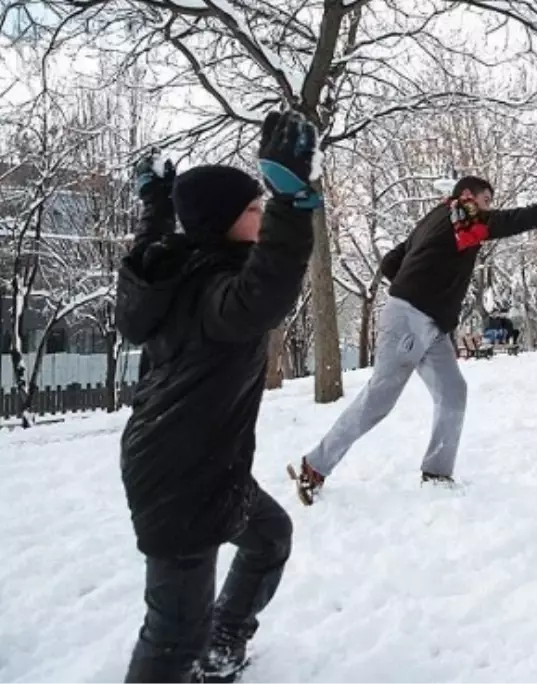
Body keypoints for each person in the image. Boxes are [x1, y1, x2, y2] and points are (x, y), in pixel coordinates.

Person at [116, 111, 320, 684]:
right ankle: (201, 648)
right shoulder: (215, 295)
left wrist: (156, 203)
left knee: (269, 537)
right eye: (253, 211)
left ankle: (225, 641)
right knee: (174, 633)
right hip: (179, 480)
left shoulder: (176, 268)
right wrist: (291, 199)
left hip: (205, 467)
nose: (260, 215)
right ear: (225, 224)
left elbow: (153, 240)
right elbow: (267, 290)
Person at [289, 177, 537, 503]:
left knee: (453, 391)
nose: (489, 209)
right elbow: (507, 221)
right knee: (379, 400)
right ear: (468, 196)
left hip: (429, 323)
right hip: (410, 319)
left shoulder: (436, 218)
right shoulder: (463, 214)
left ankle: (436, 472)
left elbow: (391, 261)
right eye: (487, 200)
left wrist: (421, 280)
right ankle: (315, 465)